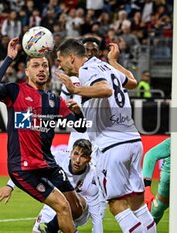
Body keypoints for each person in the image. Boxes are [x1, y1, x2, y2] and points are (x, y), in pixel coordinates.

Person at [0, 37, 88, 233]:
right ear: (27, 72)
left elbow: (81, 127)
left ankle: (47, 230)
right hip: (24, 168)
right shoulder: (15, 91)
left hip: (47, 164)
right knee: (62, 207)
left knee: (77, 208)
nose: (41, 69)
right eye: (35, 66)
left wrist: (77, 112)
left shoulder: (54, 100)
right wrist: (9, 58)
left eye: (44, 66)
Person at [56, 38, 157, 233]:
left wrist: (76, 89)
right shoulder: (105, 66)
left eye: (60, 61)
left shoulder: (86, 71)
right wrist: (114, 61)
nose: (59, 65)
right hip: (133, 140)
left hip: (112, 146)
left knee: (117, 205)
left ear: (71, 58)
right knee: (138, 205)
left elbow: (105, 89)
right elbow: (133, 83)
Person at [0, 139, 106, 233]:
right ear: (71, 152)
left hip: (78, 211)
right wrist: (10, 185)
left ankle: (54, 227)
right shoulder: (58, 158)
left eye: (83, 156)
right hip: (56, 203)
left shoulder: (93, 176)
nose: (77, 160)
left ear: (89, 159)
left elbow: (96, 215)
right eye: (76, 154)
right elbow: (30, 168)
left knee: (76, 200)